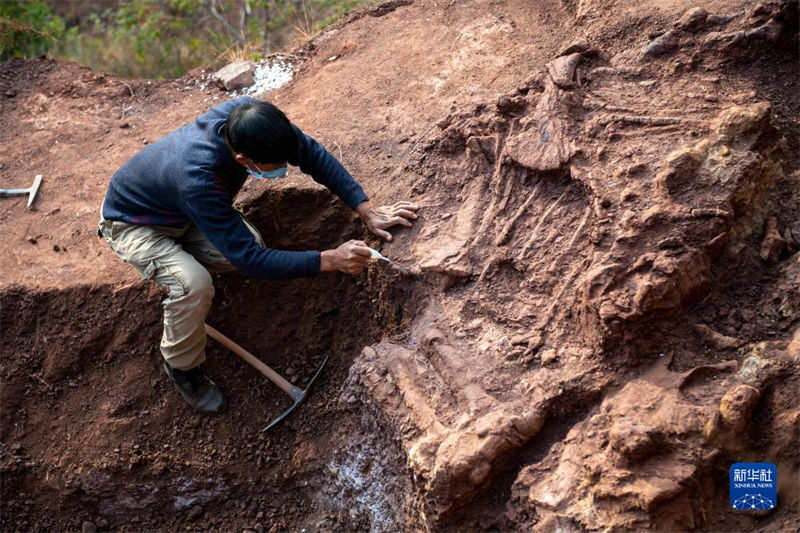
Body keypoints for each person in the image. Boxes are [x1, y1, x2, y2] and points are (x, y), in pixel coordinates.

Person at [98, 96, 418, 414]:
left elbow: (312, 154)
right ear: (242, 159)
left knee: (247, 244)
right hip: (134, 224)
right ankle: (181, 366)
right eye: (276, 167)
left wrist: (366, 209)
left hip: (182, 211)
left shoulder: (251, 120)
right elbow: (250, 261)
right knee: (194, 283)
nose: (283, 169)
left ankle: (178, 267)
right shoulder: (199, 178)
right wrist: (330, 259)